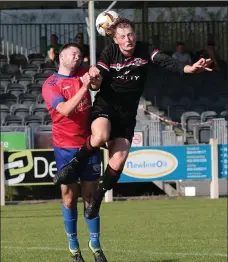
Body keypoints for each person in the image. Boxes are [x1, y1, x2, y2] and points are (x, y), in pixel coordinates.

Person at [53, 18, 212, 219]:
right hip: (106, 105)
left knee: (118, 162)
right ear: (116, 40)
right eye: (122, 36)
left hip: (127, 114)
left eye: (130, 34)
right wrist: (93, 78)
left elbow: (165, 61)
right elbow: (98, 77)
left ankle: (98, 200)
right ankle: (72, 167)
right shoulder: (110, 52)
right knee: (100, 135)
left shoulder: (145, 50)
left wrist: (189, 69)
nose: (128, 39)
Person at [42, 43, 108, 262]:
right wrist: (84, 86)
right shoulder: (50, 85)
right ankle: (73, 248)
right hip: (65, 148)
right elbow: (66, 110)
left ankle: (96, 245)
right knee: (69, 198)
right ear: (61, 56)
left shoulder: (83, 73)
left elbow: (98, 84)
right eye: (73, 53)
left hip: (88, 144)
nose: (77, 57)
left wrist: (95, 77)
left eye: (80, 54)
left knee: (91, 196)